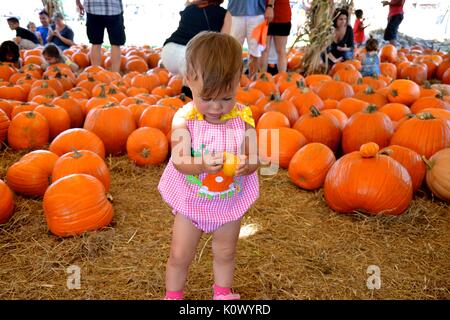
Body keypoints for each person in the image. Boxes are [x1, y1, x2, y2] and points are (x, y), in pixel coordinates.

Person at [158, 32, 259, 300]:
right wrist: (201, 164)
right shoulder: (184, 118)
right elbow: (180, 160)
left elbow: (257, 156)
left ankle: (222, 293)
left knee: (226, 251)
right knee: (180, 253)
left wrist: (248, 164)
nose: (216, 107)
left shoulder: (243, 117)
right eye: (207, 97)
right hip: (192, 202)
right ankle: (174, 295)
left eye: (226, 98)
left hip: (228, 202)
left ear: (238, 81)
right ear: (189, 80)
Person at [162, 0, 231, 76]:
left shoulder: (189, 7)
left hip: (168, 52)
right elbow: (223, 43)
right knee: (200, 82)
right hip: (191, 57)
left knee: (181, 80)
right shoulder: (225, 14)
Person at [76, 0, 126, 73]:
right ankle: (115, 74)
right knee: (116, 44)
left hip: (93, 8)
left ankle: (96, 74)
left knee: (95, 43)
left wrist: (78, 2)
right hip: (114, 8)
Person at [227, 0, 274, 78]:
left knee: (255, 52)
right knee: (233, 51)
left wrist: (270, 6)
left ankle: (253, 82)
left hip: (257, 14)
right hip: (234, 13)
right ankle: (233, 81)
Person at [261, 0, 292, 73]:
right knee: (280, 51)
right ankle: (282, 79)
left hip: (269, 12)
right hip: (280, 13)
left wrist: (270, 6)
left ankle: (262, 78)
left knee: (265, 50)